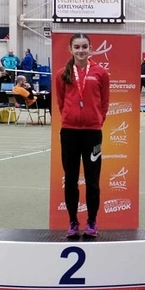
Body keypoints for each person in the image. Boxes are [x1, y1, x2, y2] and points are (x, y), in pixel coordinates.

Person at [54, 33, 110, 238]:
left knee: (92, 180)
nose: (81, 51)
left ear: (90, 48)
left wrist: (96, 121)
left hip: (92, 133)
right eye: (77, 47)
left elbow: (104, 102)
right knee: (70, 179)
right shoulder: (62, 74)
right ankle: (72, 221)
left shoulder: (100, 73)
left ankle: (92, 222)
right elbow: (61, 102)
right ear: (70, 49)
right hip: (69, 132)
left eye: (84, 46)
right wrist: (69, 118)